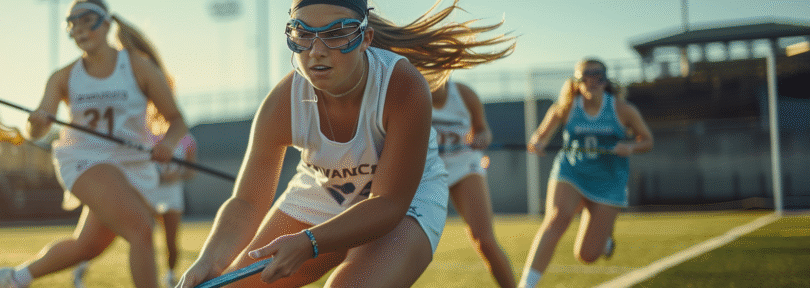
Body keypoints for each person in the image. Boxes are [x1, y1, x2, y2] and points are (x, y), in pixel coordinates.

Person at [176, 1, 512, 287]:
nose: (317, 50)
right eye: (303, 34)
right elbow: (247, 203)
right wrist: (210, 259)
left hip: (406, 201)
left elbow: (389, 203)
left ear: (365, 38)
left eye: (337, 34)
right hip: (324, 192)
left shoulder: (403, 86)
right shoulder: (281, 103)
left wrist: (310, 241)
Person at [0, 1, 189, 288]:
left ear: (106, 23)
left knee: (87, 247)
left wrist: (169, 145)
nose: (79, 28)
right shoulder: (63, 76)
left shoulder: (136, 66)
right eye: (72, 23)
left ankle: (15, 278)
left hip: (132, 165)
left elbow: (177, 121)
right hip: (85, 160)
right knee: (141, 229)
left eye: (87, 20)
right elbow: (37, 129)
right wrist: (36, 122)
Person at [518, 58, 654, 288]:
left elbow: (647, 141)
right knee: (556, 219)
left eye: (597, 75)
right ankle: (526, 285)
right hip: (571, 172)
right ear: (577, 82)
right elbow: (538, 137)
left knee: (587, 255)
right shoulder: (566, 107)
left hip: (608, 179)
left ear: (605, 79)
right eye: (585, 76)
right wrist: (537, 144)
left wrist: (629, 147)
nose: (592, 80)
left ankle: (605, 239)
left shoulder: (623, 109)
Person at [72, 104, 199, 288]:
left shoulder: (187, 140)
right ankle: (81, 267)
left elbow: (191, 171)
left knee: (171, 241)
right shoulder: (144, 135)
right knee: (130, 232)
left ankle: (170, 276)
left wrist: (177, 175)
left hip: (172, 193)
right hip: (148, 189)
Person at [431, 81, 516, 288]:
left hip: (464, 166)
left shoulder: (464, 94)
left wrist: (481, 138)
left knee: (484, 240)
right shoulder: (409, 90)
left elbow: (483, 130)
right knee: (404, 245)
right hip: (427, 171)